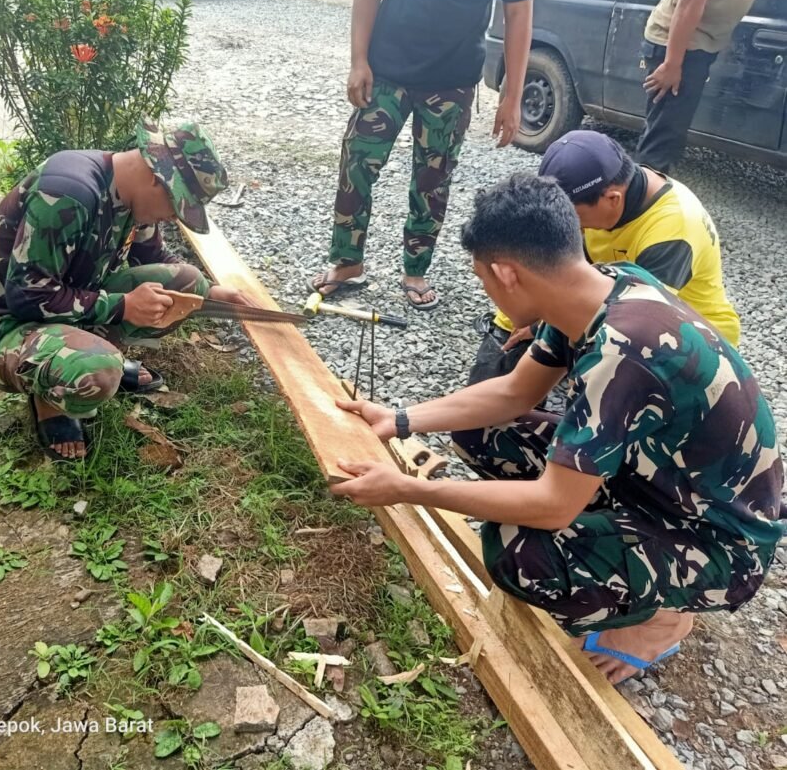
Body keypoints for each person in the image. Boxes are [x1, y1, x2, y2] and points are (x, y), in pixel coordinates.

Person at [332, 174, 783, 684]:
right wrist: (400, 420)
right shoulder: (602, 285)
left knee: (518, 551)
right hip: (663, 482)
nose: (487, 289)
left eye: (482, 278)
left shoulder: (622, 350)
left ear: (506, 273)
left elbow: (552, 505)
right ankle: (623, 542)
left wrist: (409, 490)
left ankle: (662, 617)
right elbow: (512, 393)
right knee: (484, 431)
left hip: (721, 539)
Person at [0, 121, 253, 460]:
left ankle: (89, 349)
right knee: (98, 373)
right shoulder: (67, 193)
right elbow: (27, 295)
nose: (174, 218)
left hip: (68, 306)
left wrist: (211, 293)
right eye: (176, 206)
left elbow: (155, 257)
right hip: (5, 329)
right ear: (155, 178)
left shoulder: (130, 195)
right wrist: (122, 307)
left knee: (186, 283)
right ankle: (50, 399)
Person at [307, 0, 542, 311]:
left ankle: (415, 271)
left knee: (433, 179)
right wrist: (358, 60)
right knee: (356, 161)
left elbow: (519, 10)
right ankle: (347, 263)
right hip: (386, 69)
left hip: (453, 79)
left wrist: (513, 96)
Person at [468, 129, 740, 385]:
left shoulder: (673, 228)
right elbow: (547, 270)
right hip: (615, 303)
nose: (576, 227)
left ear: (612, 198)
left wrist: (541, 326)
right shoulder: (602, 197)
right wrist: (508, 324)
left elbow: (637, 323)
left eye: (576, 218)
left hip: (687, 340)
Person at [636, 0, 765, 172]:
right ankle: (645, 198)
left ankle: (652, 190)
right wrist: (672, 63)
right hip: (680, 46)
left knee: (666, 136)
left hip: (690, 45)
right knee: (660, 146)